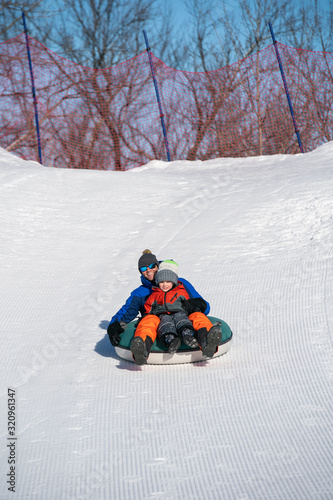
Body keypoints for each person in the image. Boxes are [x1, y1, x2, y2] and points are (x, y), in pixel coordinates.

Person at [107, 250, 221, 364]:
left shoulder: (180, 284)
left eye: (152, 266)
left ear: (157, 266)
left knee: (197, 315)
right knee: (149, 320)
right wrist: (113, 325)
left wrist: (198, 304)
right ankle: (141, 349)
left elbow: (205, 308)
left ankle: (208, 342)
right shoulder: (140, 293)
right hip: (159, 323)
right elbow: (126, 312)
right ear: (140, 272)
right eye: (143, 268)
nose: (148, 270)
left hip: (184, 318)